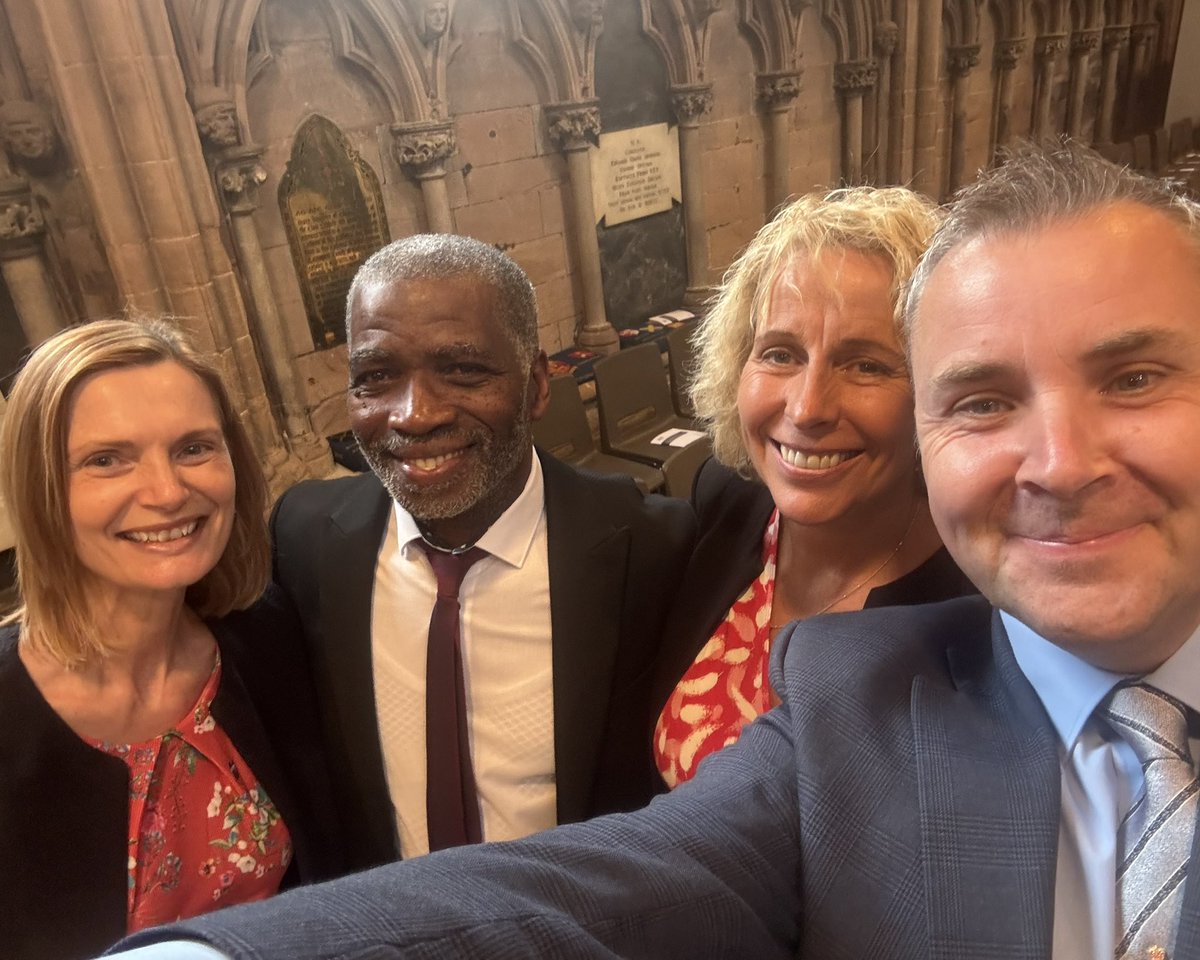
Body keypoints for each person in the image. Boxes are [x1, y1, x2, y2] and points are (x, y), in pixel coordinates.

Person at [110, 142, 1200, 960]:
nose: (1057, 463)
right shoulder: (723, 522)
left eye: (1137, 378)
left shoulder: (971, 622)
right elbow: (643, 863)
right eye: (778, 353)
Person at [267, 233, 695, 870]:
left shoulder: (655, 549)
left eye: (463, 370)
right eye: (376, 377)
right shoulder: (305, 538)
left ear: (535, 386)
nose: (414, 415)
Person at [0, 319, 340, 960]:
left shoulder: (268, 641)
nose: (167, 492)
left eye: (193, 448)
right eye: (106, 460)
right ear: (42, 489)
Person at [651, 186, 975, 788]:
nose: (806, 408)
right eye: (780, 353)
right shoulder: (727, 503)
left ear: (940, 393)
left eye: (868, 365)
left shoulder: (980, 613)